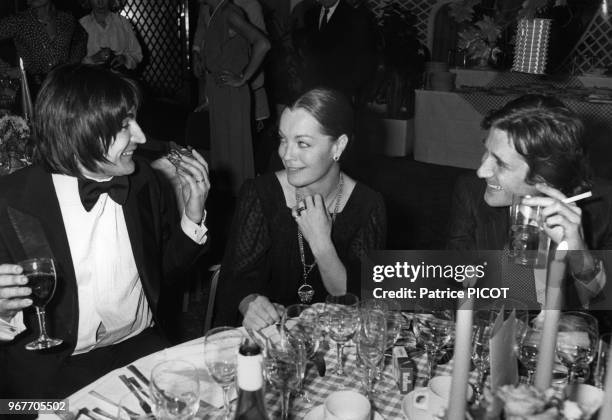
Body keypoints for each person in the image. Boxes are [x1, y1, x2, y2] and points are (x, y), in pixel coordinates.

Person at [0, 63, 210, 398]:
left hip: (139, 346)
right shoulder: (11, 201)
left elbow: (162, 275)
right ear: (80, 131)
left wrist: (192, 218)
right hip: (55, 366)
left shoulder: (143, 182)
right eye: (126, 125)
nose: (141, 137)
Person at [213, 88, 386, 329]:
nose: (286, 154)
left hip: (335, 340)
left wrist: (321, 243)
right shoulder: (261, 194)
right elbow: (235, 280)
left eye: (302, 143)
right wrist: (251, 303)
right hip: (271, 340)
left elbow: (360, 303)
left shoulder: (367, 206)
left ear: (338, 146)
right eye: (283, 139)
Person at [448, 94, 611, 309]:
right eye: (486, 151)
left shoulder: (601, 206)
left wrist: (579, 254)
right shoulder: (470, 191)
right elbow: (453, 284)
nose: (481, 171)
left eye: (500, 163)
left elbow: (603, 309)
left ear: (544, 177)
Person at [202, 0, 270, 194]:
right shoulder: (215, 12)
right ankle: (230, 207)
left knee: (235, 157)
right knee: (224, 158)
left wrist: (243, 78)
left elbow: (263, 43)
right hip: (221, 95)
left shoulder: (229, 13)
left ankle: (243, 207)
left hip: (232, 95)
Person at [295, 0, 376, 101]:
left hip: (341, 92)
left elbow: (364, 59)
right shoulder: (310, 15)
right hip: (313, 89)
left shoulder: (354, 17)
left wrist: (351, 89)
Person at [0, 0, 87, 88]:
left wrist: (71, 67)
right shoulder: (19, 21)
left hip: (64, 86)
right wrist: (4, 68)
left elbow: (81, 39)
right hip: (33, 88)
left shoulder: (66, 19)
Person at [79, 0, 143, 71]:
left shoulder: (123, 23)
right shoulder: (82, 25)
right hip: (90, 80)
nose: (100, 2)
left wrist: (125, 59)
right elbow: (73, 64)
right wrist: (93, 59)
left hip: (120, 79)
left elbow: (137, 54)